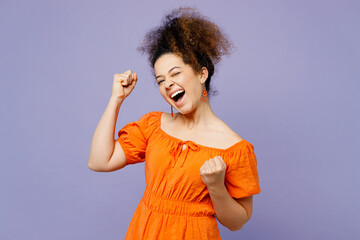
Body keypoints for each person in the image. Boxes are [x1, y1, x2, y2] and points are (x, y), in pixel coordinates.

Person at [88, 7, 261, 240]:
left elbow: (237, 222)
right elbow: (99, 161)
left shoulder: (234, 148)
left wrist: (216, 187)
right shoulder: (153, 127)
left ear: (202, 74)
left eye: (175, 73)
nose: (168, 84)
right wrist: (116, 99)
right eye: (161, 80)